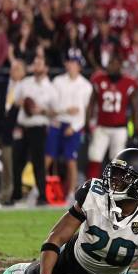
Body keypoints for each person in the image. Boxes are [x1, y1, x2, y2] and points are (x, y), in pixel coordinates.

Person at [2, 148, 138, 274]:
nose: (114, 180)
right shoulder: (93, 193)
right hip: (75, 259)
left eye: (124, 176)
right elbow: (56, 237)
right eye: (115, 173)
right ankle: (27, 269)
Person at [46, 55, 93, 204]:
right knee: (48, 157)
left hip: (74, 125)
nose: (72, 65)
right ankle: (39, 188)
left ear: (79, 66)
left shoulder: (86, 86)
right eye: (70, 62)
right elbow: (52, 106)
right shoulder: (58, 81)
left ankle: (71, 192)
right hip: (57, 122)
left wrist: (74, 127)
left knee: (71, 160)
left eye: (75, 63)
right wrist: (65, 111)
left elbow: (82, 111)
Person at [12, 55, 58, 206]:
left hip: (38, 128)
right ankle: (17, 194)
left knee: (38, 163)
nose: (36, 66)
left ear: (46, 68)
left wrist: (41, 111)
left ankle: (42, 196)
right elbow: (17, 101)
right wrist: (25, 105)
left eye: (40, 64)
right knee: (17, 161)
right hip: (23, 126)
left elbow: (55, 112)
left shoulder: (50, 88)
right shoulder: (25, 83)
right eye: (35, 63)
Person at [86, 53, 138, 179]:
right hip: (102, 126)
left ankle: (115, 193)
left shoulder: (129, 82)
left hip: (119, 128)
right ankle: (91, 190)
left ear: (120, 66)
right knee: (94, 157)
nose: (109, 66)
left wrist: (135, 129)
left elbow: (135, 109)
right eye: (109, 63)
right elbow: (91, 103)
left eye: (113, 64)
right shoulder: (99, 80)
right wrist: (87, 123)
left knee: (118, 162)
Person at [0, 59, 25, 206]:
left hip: (9, 132)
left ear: (23, 72)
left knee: (8, 166)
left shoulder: (25, 89)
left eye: (17, 68)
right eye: (13, 68)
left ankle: (6, 196)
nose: (14, 70)